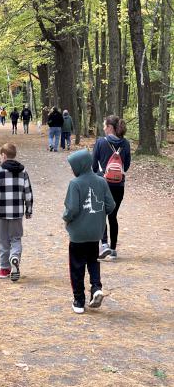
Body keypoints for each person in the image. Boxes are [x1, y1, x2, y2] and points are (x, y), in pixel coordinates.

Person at [63, 149, 116, 314]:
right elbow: (110, 205)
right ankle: (96, 288)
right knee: (93, 261)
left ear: (80, 165)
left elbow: (71, 209)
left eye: (73, 166)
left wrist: (66, 218)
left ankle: (79, 301)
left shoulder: (75, 183)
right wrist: (98, 216)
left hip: (78, 235)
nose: (72, 169)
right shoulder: (101, 181)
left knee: (76, 267)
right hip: (95, 233)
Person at [0, 143, 33, 281]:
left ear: (4, 155)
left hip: (1, 213)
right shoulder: (23, 172)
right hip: (17, 213)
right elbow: (28, 193)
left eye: (0, 156)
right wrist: (28, 210)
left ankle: (4, 269)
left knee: (3, 240)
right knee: (16, 238)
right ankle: (15, 257)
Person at [92, 115, 131, 260]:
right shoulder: (125, 144)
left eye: (104, 126)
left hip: (102, 183)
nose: (103, 128)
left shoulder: (101, 142)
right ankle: (113, 250)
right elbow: (125, 166)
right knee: (113, 216)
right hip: (119, 185)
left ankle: (104, 245)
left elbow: (94, 165)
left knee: (101, 215)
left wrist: (99, 173)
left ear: (109, 127)